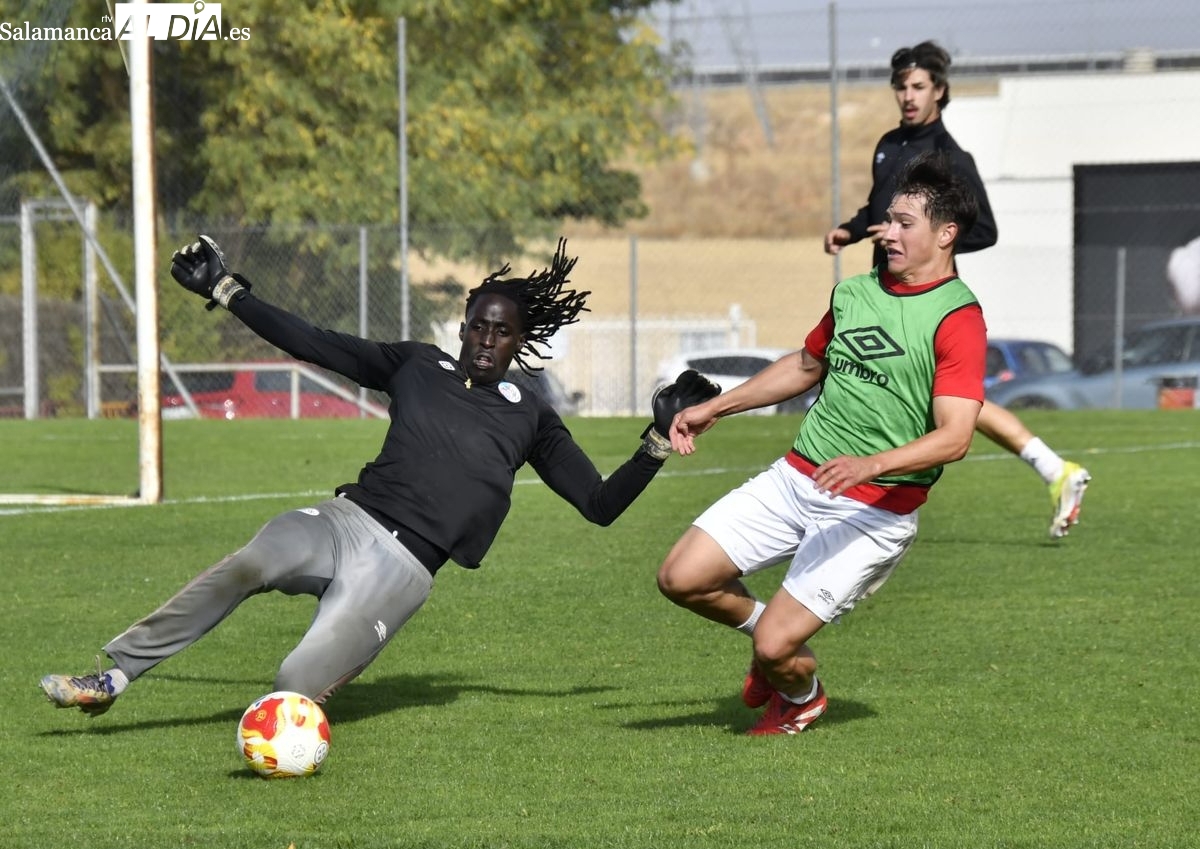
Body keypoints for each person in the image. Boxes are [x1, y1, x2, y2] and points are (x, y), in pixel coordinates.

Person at [40, 236, 719, 717]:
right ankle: (116, 673)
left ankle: (290, 719)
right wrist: (228, 291)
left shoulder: (533, 417)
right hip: (345, 521)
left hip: (402, 569)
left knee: (291, 683)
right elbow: (313, 341)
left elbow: (599, 505)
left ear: (520, 341)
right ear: (463, 326)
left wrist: (657, 441)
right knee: (250, 562)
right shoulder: (415, 364)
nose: (487, 339)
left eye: (502, 331)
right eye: (478, 325)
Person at [657, 152, 986, 735]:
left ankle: (801, 693)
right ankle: (770, 646)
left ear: (946, 233)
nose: (887, 233)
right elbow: (807, 365)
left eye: (904, 223)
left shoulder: (957, 318)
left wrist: (872, 464)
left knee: (780, 643)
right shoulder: (855, 293)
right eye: (887, 220)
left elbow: (955, 438)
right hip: (797, 476)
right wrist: (715, 408)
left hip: (874, 510)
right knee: (681, 578)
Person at [823, 39, 1089, 539]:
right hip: (885, 290)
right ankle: (1055, 469)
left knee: (945, 400)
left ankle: (1053, 469)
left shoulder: (950, 158)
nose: (908, 95)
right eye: (901, 86)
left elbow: (984, 229)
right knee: (942, 397)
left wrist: (929, 242)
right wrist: (852, 229)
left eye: (918, 86)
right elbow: (878, 206)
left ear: (939, 92)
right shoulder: (888, 144)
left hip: (926, 297)